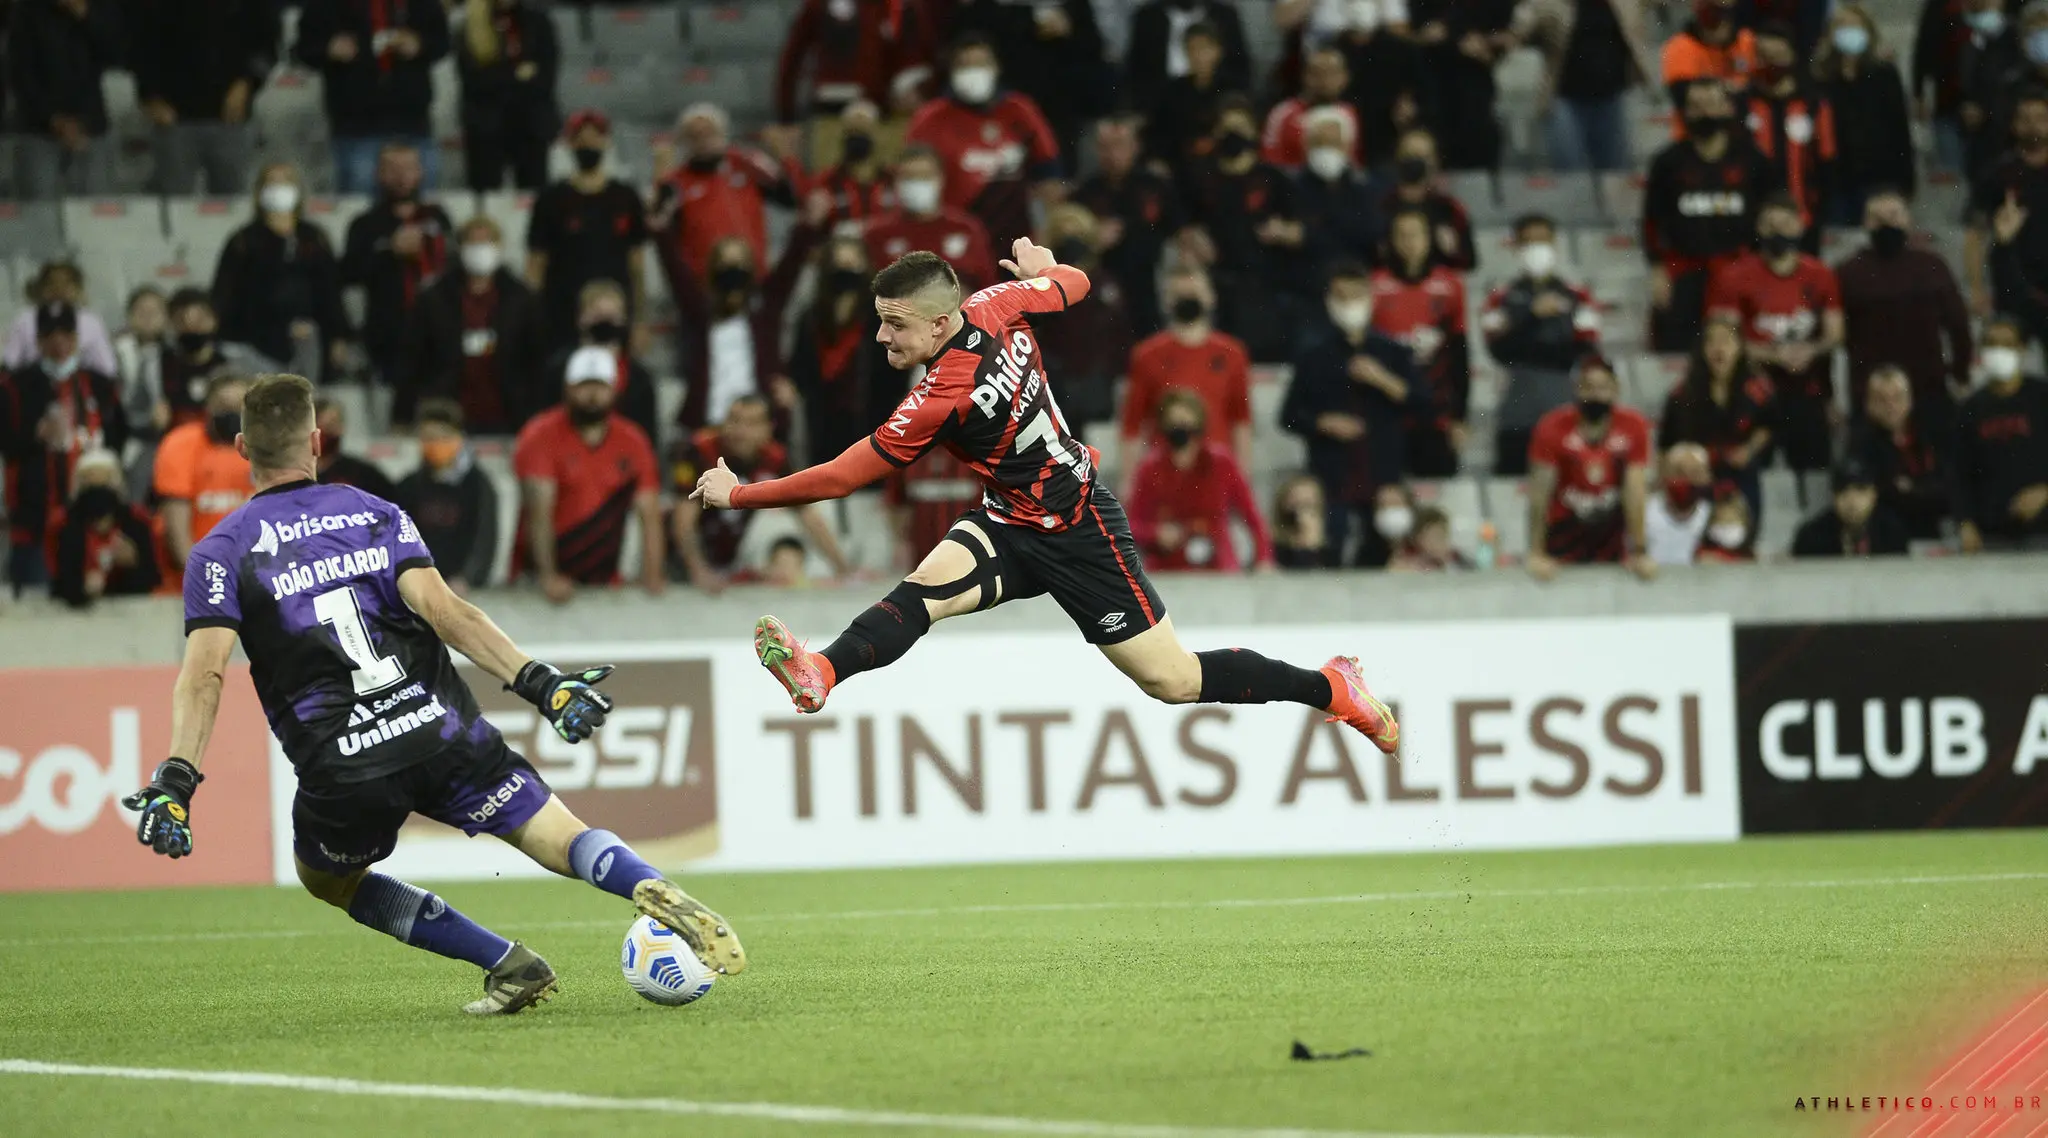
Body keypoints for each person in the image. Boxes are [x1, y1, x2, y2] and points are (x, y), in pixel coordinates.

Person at [129, 372, 743, 1014]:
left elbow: (205, 674)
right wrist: (542, 683)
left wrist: (177, 780)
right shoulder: (375, 513)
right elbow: (448, 613)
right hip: (441, 728)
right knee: (560, 836)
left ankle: (506, 962)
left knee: (330, 880)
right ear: (316, 441)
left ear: (241, 448)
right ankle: (647, 885)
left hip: (346, 765)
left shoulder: (220, 552)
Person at [688, 240, 1401, 754]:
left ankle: (1332, 686)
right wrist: (1044, 269)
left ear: (939, 322)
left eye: (894, 323)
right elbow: (1076, 283)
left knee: (1175, 681)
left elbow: (844, 476)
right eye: (880, 320)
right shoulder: (997, 304)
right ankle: (821, 670)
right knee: (923, 593)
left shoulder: (942, 395)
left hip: (1079, 525)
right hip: (1009, 521)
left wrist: (740, 494)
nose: (881, 335)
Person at [1281, 260, 1426, 556]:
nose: (1349, 304)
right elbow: (1289, 416)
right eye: (1341, 296)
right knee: (1329, 555)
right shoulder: (1314, 357)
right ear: (1329, 301)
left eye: (1356, 295)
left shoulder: (1393, 353)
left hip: (1384, 482)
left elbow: (1424, 404)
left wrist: (1383, 379)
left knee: (1383, 558)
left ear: (1371, 298)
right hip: (1332, 481)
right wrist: (1323, 423)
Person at [658, 192, 829, 435]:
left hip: (758, 429)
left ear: (750, 270)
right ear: (714, 272)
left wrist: (808, 226)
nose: (733, 273)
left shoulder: (766, 308)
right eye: (725, 265)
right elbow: (677, 276)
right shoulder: (700, 313)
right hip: (710, 429)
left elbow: (789, 268)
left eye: (739, 265)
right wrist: (661, 232)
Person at [1705, 194, 1844, 471]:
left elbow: (1835, 334)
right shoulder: (1733, 276)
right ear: (1758, 228)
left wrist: (1810, 350)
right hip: (1751, 393)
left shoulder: (1821, 275)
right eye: (1770, 224)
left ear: (1800, 226)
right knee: (1751, 471)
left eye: (1786, 224)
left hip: (1806, 391)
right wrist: (1775, 356)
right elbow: (1720, 340)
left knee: (1815, 471)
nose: (1778, 231)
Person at [513, 347, 664, 600]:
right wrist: (548, 577)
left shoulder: (633, 441)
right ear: (567, 388)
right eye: (584, 386)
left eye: (600, 386)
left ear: (615, 390)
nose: (593, 395)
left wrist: (653, 574)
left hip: (604, 580)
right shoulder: (539, 435)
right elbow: (539, 514)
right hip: (535, 581)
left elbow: (649, 513)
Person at [0, 301, 129, 592]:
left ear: (76, 338)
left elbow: (118, 441)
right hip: (35, 521)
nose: (59, 343)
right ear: (38, 340)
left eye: (66, 334)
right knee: (36, 601)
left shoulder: (100, 385)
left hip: (94, 520)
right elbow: (6, 443)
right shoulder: (14, 387)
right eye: (50, 335)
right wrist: (34, 435)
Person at [1643, 79, 1778, 351]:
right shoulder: (1668, 162)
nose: (1704, 113)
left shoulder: (1753, 160)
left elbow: (1771, 216)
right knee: (1677, 349)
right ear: (1685, 112)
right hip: (1684, 273)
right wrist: (1657, 268)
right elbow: (1652, 221)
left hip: (1740, 270)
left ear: (1728, 108)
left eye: (1711, 104)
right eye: (1695, 106)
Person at [905, 34, 1062, 266]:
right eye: (965, 65)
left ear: (996, 67)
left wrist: (1047, 234)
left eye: (980, 64)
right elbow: (911, 176)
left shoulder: (1019, 111)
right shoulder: (930, 119)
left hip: (1017, 239)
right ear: (951, 71)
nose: (973, 72)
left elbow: (1049, 175)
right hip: (956, 241)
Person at [668, 394, 850, 594]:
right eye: (734, 420)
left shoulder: (776, 458)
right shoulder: (698, 450)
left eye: (751, 423)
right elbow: (683, 520)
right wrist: (699, 571)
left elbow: (807, 514)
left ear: (768, 429)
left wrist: (842, 568)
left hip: (733, 554)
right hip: (683, 560)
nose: (740, 431)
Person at [1835, 188, 1973, 435]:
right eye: (1877, 218)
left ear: (1908, 219)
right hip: (1871, 394)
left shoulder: (1932, 266)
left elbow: (1958, 325)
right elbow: (1837, 333)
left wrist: (1960, 373)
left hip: (1928, 389)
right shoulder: (1848, 273)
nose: (1887, 223)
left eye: (1894, 215)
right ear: (1865, 223)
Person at [397, 216, 547, 431]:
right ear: (461, 248)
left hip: (508, 411)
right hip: (448, 412)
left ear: (499, 247)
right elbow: (413, 359)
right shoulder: (434, 299)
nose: (480, 249)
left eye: (487, 241)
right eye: (473, 242)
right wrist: (402, 414)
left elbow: (535, 360)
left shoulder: (521, 298)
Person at [1186, 95, 1306, 361]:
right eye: (1226, 128)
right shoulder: (1200, 177)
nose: (1233, 135)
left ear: (1254, 132)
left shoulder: (1274, 179)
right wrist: (1192, 237)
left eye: (1240, 128)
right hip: (1216, 285)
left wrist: (1284, 232)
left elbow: (1300, 230)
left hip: (1265, 286)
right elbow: (1184, 225)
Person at [212, 164, 355, 383]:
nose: (278, 188)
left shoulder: (314, 239)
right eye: (272, 182)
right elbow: (227, 295)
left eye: (286, 181)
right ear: (259, 191)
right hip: (256, 342)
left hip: (311, 342)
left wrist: (338, 336)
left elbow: (331, 293)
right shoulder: (243, 241)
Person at [1483, 213, 1603, 474]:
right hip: (1517, 404)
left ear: (1554, 244)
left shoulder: (1578, 295)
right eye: (1528, 241)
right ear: (1516, 247)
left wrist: (1527, 338)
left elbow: (1585, 350)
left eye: (1543, 241)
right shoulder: (1500, 297)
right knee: (1513, 475)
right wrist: (1532, 316)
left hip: (1563, 401)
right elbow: (1499, 350)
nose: (1536, 249)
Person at [525, 110, 649, 354]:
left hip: (614, 312)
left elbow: (637, 265)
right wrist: (531, 319)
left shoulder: (626, 197)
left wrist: (640, 320)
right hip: (561, 313)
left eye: (594, 138)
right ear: (570, 144)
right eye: (581, 139)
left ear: (606, 142)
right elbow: (536, 265)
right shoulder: (551, 199)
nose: (588, 145)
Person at [294, 0, 449, 194]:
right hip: (356, 125)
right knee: (360, 200)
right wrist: (329, 48)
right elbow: (304, 48)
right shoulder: (326, 4)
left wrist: (420, 43)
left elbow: (442, 41)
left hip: (412, 122)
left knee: (421, 204)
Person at [1525, 354, 1657, 581]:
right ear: (1577, 389)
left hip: (1612, 545)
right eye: (1588, 387)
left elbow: (1635, 490)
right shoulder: (1551, 427)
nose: (1595, 395)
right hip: (1561, 543)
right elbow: (1539, 494)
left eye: (1603, 387)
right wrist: (1536, 553)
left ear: (1616, 390)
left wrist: (1639, 550)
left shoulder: (1633, 426)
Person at [131, 0, 277, 194]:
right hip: (173, 118)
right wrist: (150, 96)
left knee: (232, 201)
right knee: (174, 202)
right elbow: (140, 46)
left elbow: (268, 46)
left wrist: (247, 82)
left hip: (231, 118)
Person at [1123, 388, 1272, 572]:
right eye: (1173, 423)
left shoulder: (1222, 464)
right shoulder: (1149, 468)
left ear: (1200, 426)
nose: (1181, 430)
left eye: (1187, 423)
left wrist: (1264, 559)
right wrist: (1156, 533)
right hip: (1168, 570)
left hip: (1218, 566)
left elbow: (1252, 516)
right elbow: (1131, 526)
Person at [1120, 264, 1252, 468]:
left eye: (1193, 293)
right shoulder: (1146, 355)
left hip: (1217, 470)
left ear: (1211, 297)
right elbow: (1132, 426)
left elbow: (1241, 422)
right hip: (1165, 471)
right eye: (1178, 294)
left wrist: (1243, 476)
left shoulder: (1233, 354)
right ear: (1165, 301)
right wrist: (1130, 479)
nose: (1187, 299)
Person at [342, 144, 453, 387]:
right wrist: (389, 250)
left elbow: (452, 266)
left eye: (408, 168)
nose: (401, 176)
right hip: (388, 334)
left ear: (420, 171)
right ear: (378, 174)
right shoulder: (365, 224)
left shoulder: (437, 217)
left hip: (437, 330)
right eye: (392, 169)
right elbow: (349, 274)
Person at [1371, 207, 1469, 476]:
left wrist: (1459, 416)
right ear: (1391, 240)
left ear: (1428, 238)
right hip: (1387, 414)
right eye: (1402, 235)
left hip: (1435, 414)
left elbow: (1459, 355)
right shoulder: (1374, 286)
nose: (1409, 242)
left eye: (1415, 234)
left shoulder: (1450, 286)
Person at [650, 103, 796, 280]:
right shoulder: (675, 183)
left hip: (752, 275)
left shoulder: (745, 164)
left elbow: (791, 199)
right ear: (685, 141)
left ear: (722, 134)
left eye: (709, 132)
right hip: (704, 283)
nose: (703, 140)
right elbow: (659, 229)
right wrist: (660, 176)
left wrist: (783, 158)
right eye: (695, 135)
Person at [1073, 116, 1187, 339]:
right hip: (1102, 286)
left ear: (1135, 147)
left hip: (1150, 282)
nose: (1112, 154)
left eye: (1119, 145)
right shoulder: (1085, 193)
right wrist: (1093, 237)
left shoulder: (1156, 186)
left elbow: (1180, 230)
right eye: (1105, 147)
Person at [951, 0, 1105, 164]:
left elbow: (1094, 48)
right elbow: (971, 36)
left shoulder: (1073, 5)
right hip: (1002, 99)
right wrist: (1025, 22)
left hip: (1058, 102)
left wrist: (1069, 29)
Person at [1516, 0, 1657, 172]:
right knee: (1572, 173)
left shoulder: (1623, 4)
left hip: (1612, 97)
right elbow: (1522, 29)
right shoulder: (1553, 4)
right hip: (1565, 99)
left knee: (1615, 172)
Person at [1031, 204, 1137, 432]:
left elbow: (1119, 335)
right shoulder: (1038, 286)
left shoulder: (1105, 285)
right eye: (1063, 234)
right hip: (1053, 389)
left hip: (1098, 390)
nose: (1071, 241)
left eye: (1077, 234)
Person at [788, 232, 891, 466]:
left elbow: (891, 373)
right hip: (821, 425)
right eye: (840, 263)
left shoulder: (880, 318)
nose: (846, 270)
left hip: (869, 422)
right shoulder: (812, 318)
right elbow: (800, 368)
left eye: (853, 263)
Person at [1812, 5, 1915, 226]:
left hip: (1880, 180)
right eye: (1841, 26)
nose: (1848, 31)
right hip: (1837, 181)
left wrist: (1906, 182)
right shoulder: (1821, 77)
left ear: (1868, 31)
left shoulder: (1884, 73)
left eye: (1854, 25)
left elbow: (1900, 128)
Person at [7, 0, 121, 198]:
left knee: (94, 210)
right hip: (38, 131)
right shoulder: (27, 11)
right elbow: (19, 74)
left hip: (90, 129)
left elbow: (116, 54)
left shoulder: (99, 8)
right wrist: (54, 119)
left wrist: (85, 15)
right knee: (38, 210)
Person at [1952, 315, 2048, 551]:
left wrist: (2045, 492)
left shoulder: (2042, 398)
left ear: (2022, 349)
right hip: (1992, 536)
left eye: (2007, 344)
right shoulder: (1970, 409)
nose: (1998, 351)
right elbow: (1959, 473)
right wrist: (1965, 522)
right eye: (1991, 344)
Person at [1660, 316, 1776, 505]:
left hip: (1740, 472)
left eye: (1726, 340)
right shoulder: (1682, 394)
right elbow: (1666, 444)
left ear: (1740, 347)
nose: (1718, 348)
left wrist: (1749, 449)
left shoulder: (1758, 390)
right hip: (1696, 475)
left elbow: (1769, 424)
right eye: (1711, 341)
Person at [1736, 21, 1837, 239]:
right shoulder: (1740, 104)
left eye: (1778, 56)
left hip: (1804, 217)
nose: (1771, 63)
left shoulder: (1814, 104)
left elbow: (1826, 160)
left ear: (1792, 56)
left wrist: (1820, 212)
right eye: (1764, 56)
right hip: (1752, 220)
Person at [773, 0, 936, 132]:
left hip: (880, 109)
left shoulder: (898, 8)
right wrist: (786, 115)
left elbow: (911, 56)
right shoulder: (819, 5)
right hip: (832, 106)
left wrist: (910, 87)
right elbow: (792, 58)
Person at [395, 398, 500, 594]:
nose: (435, 444)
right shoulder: (409, 486)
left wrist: (467, 578)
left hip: (464, 591)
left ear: (459, 438)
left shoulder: (478, 485)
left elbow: (485, 539)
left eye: (442, 437)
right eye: (428, 438)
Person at [454, 0, 559, 193]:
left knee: (533, 194)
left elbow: (546, 78)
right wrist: (517, 74)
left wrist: (497, 73)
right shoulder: (472, 25)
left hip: (531, 126)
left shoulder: (539, 22)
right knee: (485, 194)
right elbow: (473, 81)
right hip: (485, 128)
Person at [864, 146, 1000, 293]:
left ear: (940, 179)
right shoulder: (877, 234)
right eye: (909, 177)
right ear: (896, 181)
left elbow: (989, 286)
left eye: (924, 176)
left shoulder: (966, 228)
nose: (917, 184)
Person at [153, 374, 253, 570]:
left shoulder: (266, 447)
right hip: (195, 574)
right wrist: (202, 578)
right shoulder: (181, 444)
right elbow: (178, 533)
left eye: (238, 407)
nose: (232, 414)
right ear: (208, 407)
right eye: (224, 406)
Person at [1968, 88, 2048, 324]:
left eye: (2041, 118)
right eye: (2025, 119)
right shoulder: (1997, 174)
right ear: (2014, 124)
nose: (2033, 126)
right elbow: (1975, 234)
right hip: (2012, 286)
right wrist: (1976, 288)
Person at [1849, 365, 1950, 541]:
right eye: (1881, 399)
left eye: (1897, 397)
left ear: (1910, 400)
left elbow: (1947, 488)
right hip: (1884, 538)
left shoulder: (1929, 436)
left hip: (1932, 531)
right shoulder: (1860, 444)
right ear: (1868, 404)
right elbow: (1879, 495)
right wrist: (1920, 490)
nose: (1891, 406)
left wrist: (1911, 489)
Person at [1413, 0, 1516, 172]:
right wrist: (1431, 35)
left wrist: (1484, 46)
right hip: (1435, 84)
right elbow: (1413, 32)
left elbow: (1507, 36)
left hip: (1475, 85)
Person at [52, 448, 161, 607]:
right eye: (90, 483)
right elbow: (56, 579)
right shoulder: (63, 524)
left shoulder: (137, 523)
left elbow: (152, 579)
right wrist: (81, 586)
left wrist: (133, 563)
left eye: (104, 482)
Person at [158, 288, 280, 430]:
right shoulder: (157, 364)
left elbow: (277, 386)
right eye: (182, 321)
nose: (191, 328)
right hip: (173, 438)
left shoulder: (236, 360)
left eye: (199, 321)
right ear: (170, 324)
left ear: (214, 320)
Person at [1331, 0, 1431, 169]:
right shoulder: (1334, 51)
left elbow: (1423, 96)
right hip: (1344, 147)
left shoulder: (1403, 50)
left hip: (1387, 147)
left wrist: (1411, 110)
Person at [1142, 19, 1239, 187]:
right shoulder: (1172, 91)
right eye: (1191, 49)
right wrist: (1157, 160)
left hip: (1223, 170)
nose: (1197, 55)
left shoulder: (1233, 89)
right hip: (1180, 172)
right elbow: (1156, 133)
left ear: (1218, 51)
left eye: (1204, 48)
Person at [1290, 107, 1383, 275]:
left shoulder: (1365, 189)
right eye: (1319, 143)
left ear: (1347, 147)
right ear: (1306, 145)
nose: (1326, 150)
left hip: (1354, 278)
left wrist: (1308, 236)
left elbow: (1368, 234)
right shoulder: (1290, 188)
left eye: (1333, 143)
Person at [1123, 0, 1252, 114]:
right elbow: (1135, 73)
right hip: (1159, 110)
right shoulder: (1147, 17)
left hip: (1217, 106)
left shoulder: (1225, 16)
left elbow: (1240, 70)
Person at [1379, 129, 1476, 271]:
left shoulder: (1449, 208)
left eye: (1424, 157)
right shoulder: (1381, 205)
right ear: (1397, 159)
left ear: (1435, 162)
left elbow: (1470, 261)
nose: (1416, 162)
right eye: (1409, 155)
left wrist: (1454, 251)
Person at [3, 260, 116, 375]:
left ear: (77, 288)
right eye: (52, 283)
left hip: (80, 382)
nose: (59, 289)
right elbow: (10, 364)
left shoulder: (91, 322)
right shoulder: (24, 320)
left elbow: (107, 368)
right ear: (41, 288)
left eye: (66, 283)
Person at [1261, 45, 1361, 170]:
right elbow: (1270, 162)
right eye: (1316, 73)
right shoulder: (1282, 114)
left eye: (1332, 73)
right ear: (1304, 76)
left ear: (1345, 77)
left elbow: (1354, 163)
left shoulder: (1350, 114)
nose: (1324, 80)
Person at [1792, 459, 1910, 556]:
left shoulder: (1892, 533)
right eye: (1842, 490)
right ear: (1833, 496)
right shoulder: (1812, 536)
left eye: (1860, 490)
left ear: (1874, 494)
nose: (1852, 501)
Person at [804, 101, 895, 226]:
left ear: (877, 134)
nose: (857, 137)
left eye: (864, 131)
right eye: (852, 131)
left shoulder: (893, 180)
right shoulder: (826, 181)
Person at [1660, 0, 1758, 111]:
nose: (1720, 22)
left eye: (1723, 13)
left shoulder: (1746, 39)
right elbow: (1681, 94)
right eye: (1711, 15)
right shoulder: (1681, 46)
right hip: (1701, 118)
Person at [313, 397, 400, 502]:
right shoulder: (299, 474)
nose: (328, 432)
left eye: (333, 425)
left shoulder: (364, 474)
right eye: (324, 426)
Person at [1644, 442, 1714, 565]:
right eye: (1680, 473)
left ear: (1707, 477)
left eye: (1694, 473)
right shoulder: (1644, 511)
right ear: (1666, 474)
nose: (1687, 480)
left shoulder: (1714, 514)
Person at [1269, 474, 1339, 568]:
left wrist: (1314, 544)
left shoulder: (1332, 542)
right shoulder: (1273, 544)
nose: (1301, 514)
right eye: (1296, 504)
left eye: (1308, 504)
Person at [1387, 505, 1471, 571]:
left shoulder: (1457, 560)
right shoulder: (1404, 561)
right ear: (1418, 539)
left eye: (1440, 536)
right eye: (1430, 537)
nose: (1435, 542)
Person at [1695, 488, 1756, 561]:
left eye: (1731, 521)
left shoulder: (1750, 557)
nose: (1727, 527)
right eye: (1721, 521)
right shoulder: (1703, 554)